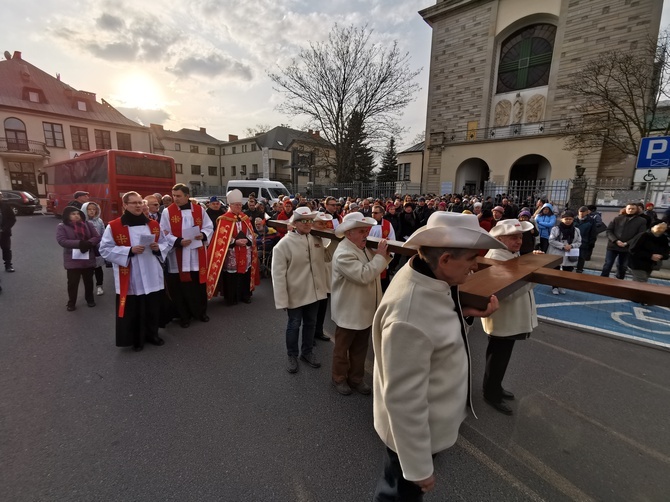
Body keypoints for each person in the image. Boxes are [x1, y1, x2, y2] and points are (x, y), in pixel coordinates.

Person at [372, 212, 501, 500]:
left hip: (423, 429)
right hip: (411, 437)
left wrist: (466, 316)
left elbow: (435, 339)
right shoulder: (409, 315)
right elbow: (404, 400)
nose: (476, 266)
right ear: (444, 260)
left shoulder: (424, 275)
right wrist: (417, 467)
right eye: (471, 259)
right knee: (398, 495)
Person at [99, 191, 171, 351]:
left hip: (151, 271)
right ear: (125, 205)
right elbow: (104, 249)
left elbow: (165, 244)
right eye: (134, 203)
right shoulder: (114, 226)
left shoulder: (153, 224)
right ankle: (137, 339)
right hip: (131, 274)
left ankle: (153, 334)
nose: (138, 206)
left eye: (140, 202)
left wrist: (157, 247)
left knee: (152, 306)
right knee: (135, 308)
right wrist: (129, 250)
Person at [481, 219, 537, 415]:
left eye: (520, 236)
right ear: (499, 238)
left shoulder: (510, 254)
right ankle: (491, 394)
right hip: (503, 318)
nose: (519, 241)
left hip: (509, 319)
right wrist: (534, 277)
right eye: (514, 237)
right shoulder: (497, 257)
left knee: (501, 357)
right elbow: (508, 293)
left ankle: (496, 388)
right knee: (497, 358)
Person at [331, 212, 391, 396]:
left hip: (364, 309)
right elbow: (364, 275)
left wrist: (382, 256)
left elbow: (377, 267)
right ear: (349, 233)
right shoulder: (343, 253)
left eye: (366, 229)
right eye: (362, 230)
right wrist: (380, 257)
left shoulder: (361, 247)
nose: (367, 233)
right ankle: (339, 378)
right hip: (349, 310)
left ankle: (356, 378)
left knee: (360, 347)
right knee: (343, 348)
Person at [271, 206, 331, 373]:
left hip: (314, 292)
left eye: (310, 220)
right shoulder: (283, 245)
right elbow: (278, 275)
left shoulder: (316, 239)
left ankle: (307, 352)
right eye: (303, 221)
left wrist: (332, 236)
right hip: (295, 294)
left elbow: (328, 257)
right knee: (294, 325)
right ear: (295, 223)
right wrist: (282, 299)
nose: (307, 224)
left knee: (310, 324)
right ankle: (292, 354)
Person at [161, 183, 214, 328]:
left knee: (197, 286)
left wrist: (203, 234)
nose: (175, 199)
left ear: (187, 196)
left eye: (178, 196)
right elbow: (163, 232)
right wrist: (178, 241)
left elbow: (209, 227)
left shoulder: (199, 210)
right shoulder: (167, 212)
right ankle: (184, 316)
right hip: (178, 255)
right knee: (180, 288)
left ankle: (200, 312)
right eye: (174, 196)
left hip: (196, 255)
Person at [206, 189, 260, 305]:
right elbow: (221, 238)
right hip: (232, 253)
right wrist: (235, 242)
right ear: (230, 205)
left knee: (245, 273)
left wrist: (247, 240)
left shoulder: (245, 218)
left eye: (240, 205)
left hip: (245, 251)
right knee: (232, 276)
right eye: (236, 205)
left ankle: (245, 295)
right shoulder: (224, 219)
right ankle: (232, 297)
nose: (239, 207)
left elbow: (251, 233)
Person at [56, 206, 101, 311]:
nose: (76, 215)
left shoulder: (88, 224)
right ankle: (71, 302)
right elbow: (62, 240)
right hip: (72, 259)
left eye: (78, 213)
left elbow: (97, 237)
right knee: (72, 282)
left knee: (88, 281)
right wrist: (80, 243)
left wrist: (89, 243)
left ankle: (90, 299)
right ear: (67, 216)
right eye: (73, 214)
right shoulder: (62, 226)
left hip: (87, 257)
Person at [600, 202, 647, 280]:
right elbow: (609, 231)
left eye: (633, 209)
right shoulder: (617, 218)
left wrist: (627, 243)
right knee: (608, 264)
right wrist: (615, 240)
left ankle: (620, 281)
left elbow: (640, 235)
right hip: (613, 246)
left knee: (622, 266)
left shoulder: (641, 221)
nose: (630, 210)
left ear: (637, 210)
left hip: (627, 248)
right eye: (629, 208)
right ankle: (603, 280)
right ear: (626, 209)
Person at [548, 210, 582, 294]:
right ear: (561, 219)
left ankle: (562, 285)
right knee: (555, 270)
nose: (568, 221)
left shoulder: (576, 230)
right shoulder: (556, 229)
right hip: (557, 253)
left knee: (567, 271)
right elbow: (551, 240)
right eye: (566, 219)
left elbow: (579, 242)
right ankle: (554, 286)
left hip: (570, 253)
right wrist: (563, 246)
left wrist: (571, 246)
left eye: (570, 219)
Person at [369, 204, 396, 291]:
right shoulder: (367, 224)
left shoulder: (388, 225)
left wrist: (389, 255)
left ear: (382, 214)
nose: (373, 215)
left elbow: (392, 240)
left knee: (383, 284)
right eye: (372, 212)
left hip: (383, 256)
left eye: (376, 213)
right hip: (369, 256)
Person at [82, 202, 106, 295]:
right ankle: (89, 288)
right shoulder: (81, 221)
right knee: (88, 271)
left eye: (94, 209)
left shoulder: (99, 221)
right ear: (85, 210)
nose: (92, 211)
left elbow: (103, 233)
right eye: (89, 209)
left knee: (98, 268)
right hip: (87, 248)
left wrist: (101, 244)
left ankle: (99, 285)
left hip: (97, 248)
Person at [574, 206, 598, 273]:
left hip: (584, 242)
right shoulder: (574, 220)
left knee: (581, 257)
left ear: (587, 212)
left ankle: (579, 270)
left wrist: (591, 243)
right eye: (580, 212)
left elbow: (593, 233)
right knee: (571, 257)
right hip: (574, 242)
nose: (581, 214)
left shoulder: (591, 221)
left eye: (583, 212)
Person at [0, 190, 17, 273]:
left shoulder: (5, 206)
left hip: (4, 232)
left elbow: (12, 219)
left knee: (6, 249)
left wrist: (4, 228)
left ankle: (8, 265)